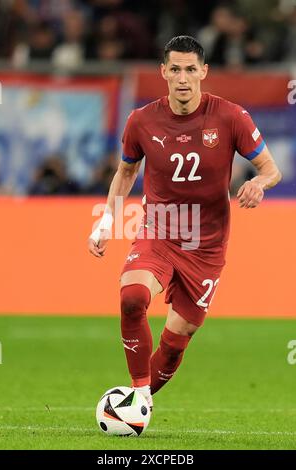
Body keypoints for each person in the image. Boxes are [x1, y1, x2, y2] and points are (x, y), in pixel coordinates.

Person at [88, 36, 281, 409]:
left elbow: (270, 169)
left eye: (190, 69)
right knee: (132, 298)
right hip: (158, 229)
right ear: (163, 72)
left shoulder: (230, 116)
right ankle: (138, 394)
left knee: (176, 341)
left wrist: (258, 183)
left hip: (207, 245)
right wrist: (105, 222)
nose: (182, 78)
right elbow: (125, 174)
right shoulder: (141, 120)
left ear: (204, 72)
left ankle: (140, 401)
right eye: (174, 69)